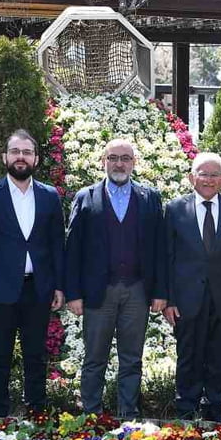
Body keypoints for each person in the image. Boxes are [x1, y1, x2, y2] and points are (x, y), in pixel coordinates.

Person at [63, 138, 166, 419]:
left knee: (132, 359)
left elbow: (160, 248)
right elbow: (73, 249)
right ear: (103, 162)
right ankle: (91, 415)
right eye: (113, 158)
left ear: (134, 163)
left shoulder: (150, 197)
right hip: (99, 292)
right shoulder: (86, 197)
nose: (119, 164)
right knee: (94, 357)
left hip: (137, 290)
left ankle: (127, 415)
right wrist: (73, 293)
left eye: (125, 158)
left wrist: (160, 291)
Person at [0, 129, 65, 418]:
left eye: (26, 152)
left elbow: (57, 245)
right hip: (0, 291)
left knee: (36, 356)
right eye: (15, 151)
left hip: (38, 290)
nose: (20, 157)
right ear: (5, 157)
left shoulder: (49, 196)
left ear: (35, 159)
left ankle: (36, 414)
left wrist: (59, 286)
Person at [163, 152, 221, 423]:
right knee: (188, 355)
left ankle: (215, 409)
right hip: (186, 298)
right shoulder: (174, 209)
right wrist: (168, 299)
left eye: (215, 174)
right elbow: (166, 257)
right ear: (192, 177)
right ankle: (186, 409)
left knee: (219, 355)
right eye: (203, 174)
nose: (209, 179)